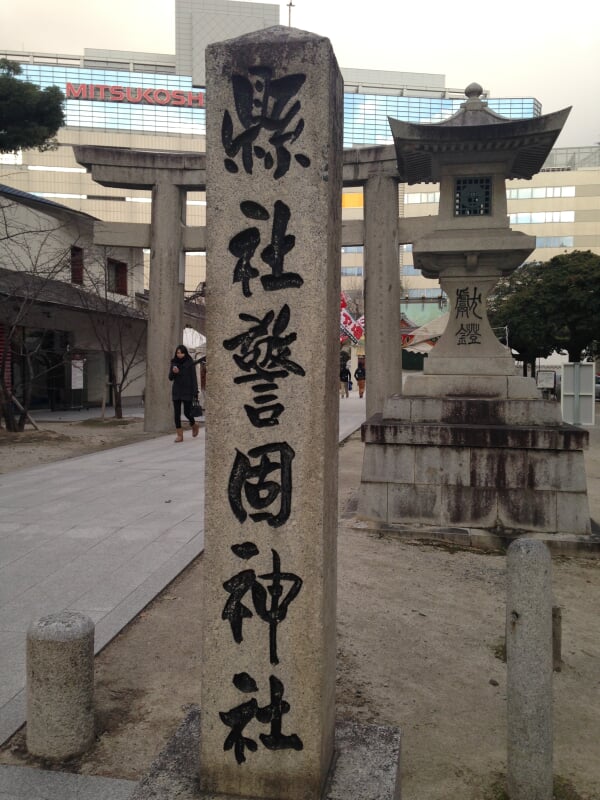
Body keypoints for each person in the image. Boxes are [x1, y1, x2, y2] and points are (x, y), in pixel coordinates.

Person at [168, 344, 199, 442]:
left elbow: (193, 378)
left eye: (181, 353)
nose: (179, 355)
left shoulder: (190, 363)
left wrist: (195, 391)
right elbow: (170, 378)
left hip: (187, 391)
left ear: (185, 353)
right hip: (177, 391)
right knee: (176, 414)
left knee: (187, 412)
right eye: (178, 353)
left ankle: (194, 424)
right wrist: (174, 372)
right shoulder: (174, 363)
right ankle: (179, 436)